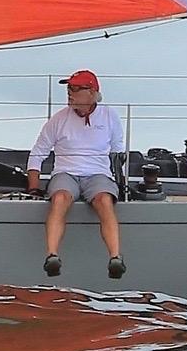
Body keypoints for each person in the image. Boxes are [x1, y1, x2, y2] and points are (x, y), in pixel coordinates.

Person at [25, 69, 127, 279]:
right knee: (60, 198)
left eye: (76, 88)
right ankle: (52, 256)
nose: (70, 93)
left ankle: (115, 258)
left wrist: (120, 182)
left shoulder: (110, 115)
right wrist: (33, 187)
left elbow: (118, 152)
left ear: (92, 92)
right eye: (69, 88)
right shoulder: (58, 119)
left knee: (104, 201)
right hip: (65, 173)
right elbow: (38, 153)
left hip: (98, 174)